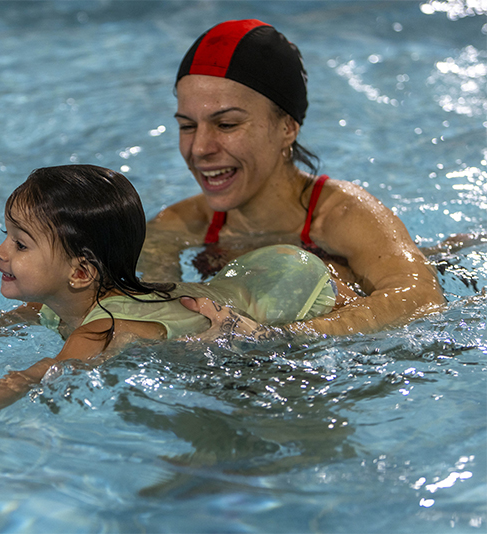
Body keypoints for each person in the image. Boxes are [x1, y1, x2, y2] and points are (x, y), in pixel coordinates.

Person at [0, 164, 339, 452]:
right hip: (246, 278)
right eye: (7, 237)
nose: (0, 252)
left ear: (80, 272)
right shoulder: (65, 301)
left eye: (20, 244)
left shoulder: (102, 327)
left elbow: (30, 376)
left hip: (290, 283)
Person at [138, 19, 446, 337]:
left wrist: (283, 336)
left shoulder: (343, 215)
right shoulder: (175, 227)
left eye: (227, 124)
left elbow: (421, 298)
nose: (200, 148)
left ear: (287, 127)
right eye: (187, 126)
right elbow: (149, 314)